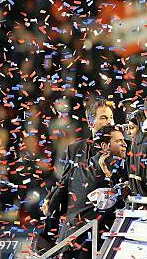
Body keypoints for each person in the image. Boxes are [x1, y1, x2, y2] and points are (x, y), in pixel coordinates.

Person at [36, 98, 115, 253]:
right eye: (104, 117)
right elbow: (65, 182)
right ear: (91, 122)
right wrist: (51, 198)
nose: (109, 122)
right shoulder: (76, 149)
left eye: (111, 117)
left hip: (109, 224)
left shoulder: (122, 146)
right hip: (79, 227)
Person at [47, 125, 128, 259]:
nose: (125, 144)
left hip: (67, 241)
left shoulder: (77, 167)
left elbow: (54, 204)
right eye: (119, 141)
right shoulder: (117, 168)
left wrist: (47, 235)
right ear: (104, 146)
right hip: (90, 245)